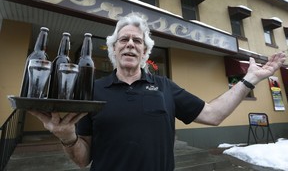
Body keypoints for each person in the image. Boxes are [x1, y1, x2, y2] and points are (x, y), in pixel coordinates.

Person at [29, 13, 286, 171]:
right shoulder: (91, 90)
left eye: (137, 40)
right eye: (123, 40)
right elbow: (83, 159)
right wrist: (67, 136)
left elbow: (213, 114)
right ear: (113, 49)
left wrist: (249, 79)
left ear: (145, 52)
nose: (130, 44)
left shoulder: (165, 86)